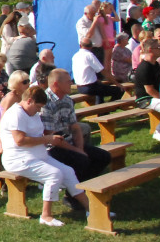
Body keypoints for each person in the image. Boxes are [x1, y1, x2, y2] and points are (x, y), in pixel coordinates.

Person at [0, 86, 89, 227]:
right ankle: (46, 216)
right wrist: (48, 139)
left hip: (38, 155)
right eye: (38, 107)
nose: (39, 111)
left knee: (68, 172)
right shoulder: (16, 114)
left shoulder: (32, 113)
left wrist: (51, 138)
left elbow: (36, 135)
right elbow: (20, 140)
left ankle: (91, 209)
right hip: (18, 159)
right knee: (54, 174)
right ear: (29, 101)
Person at [39, 69, 112, 201]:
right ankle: (75, 196)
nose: (71, 84)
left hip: (66, 142)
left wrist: (80, 148)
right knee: (82, 160)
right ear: (56, 84)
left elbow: (75, 127)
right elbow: (51, 137)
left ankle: (81, 190)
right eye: (68, 82)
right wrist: (77, 151)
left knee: (104, 157)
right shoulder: (45, 103)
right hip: (51, 148)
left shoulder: (67, 100)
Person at [134, 38, 160, 141]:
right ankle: (159, 131)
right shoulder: (145, 67)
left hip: (154, 97)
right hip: (145, 99)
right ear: (150, 49)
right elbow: (149, 90)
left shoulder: (155, 64)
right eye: (158, 47)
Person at [71, 38, 121, 104]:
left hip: (79, 87)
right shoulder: (89, 55)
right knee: (119, 90)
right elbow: (103, 71)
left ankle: (102, 110)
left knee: (100, 89)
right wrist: (117, 84)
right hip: (89, 87)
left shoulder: (75, 56)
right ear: (91, 47)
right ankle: (108, 107)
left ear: (80, 45)